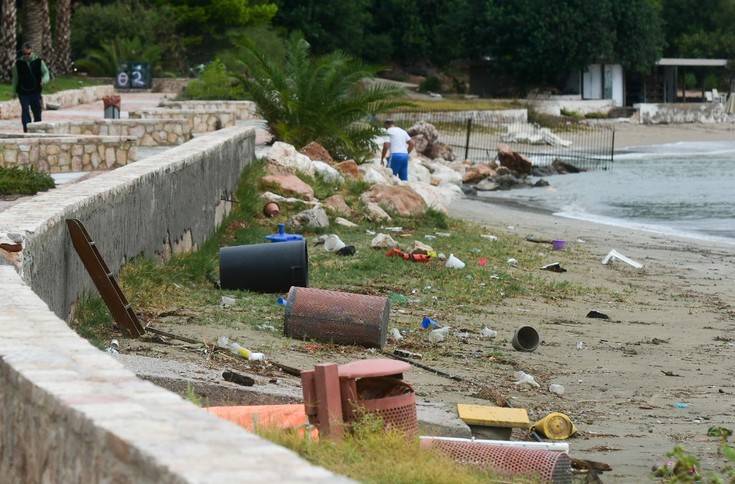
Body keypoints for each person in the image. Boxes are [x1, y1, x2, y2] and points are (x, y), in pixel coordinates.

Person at [11, 42, 50, 132]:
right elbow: (15, 78)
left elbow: (46, 73)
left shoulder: (39, 61)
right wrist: (13, 92)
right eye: (24, 54)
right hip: (23, 91)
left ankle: (37, 128)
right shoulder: (18, 63)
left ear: (31, 51)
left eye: (28, 54)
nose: (26, 56)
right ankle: (26, 129)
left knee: (37, 110)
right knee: (25, 110)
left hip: (35, 91)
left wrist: (44, 80)